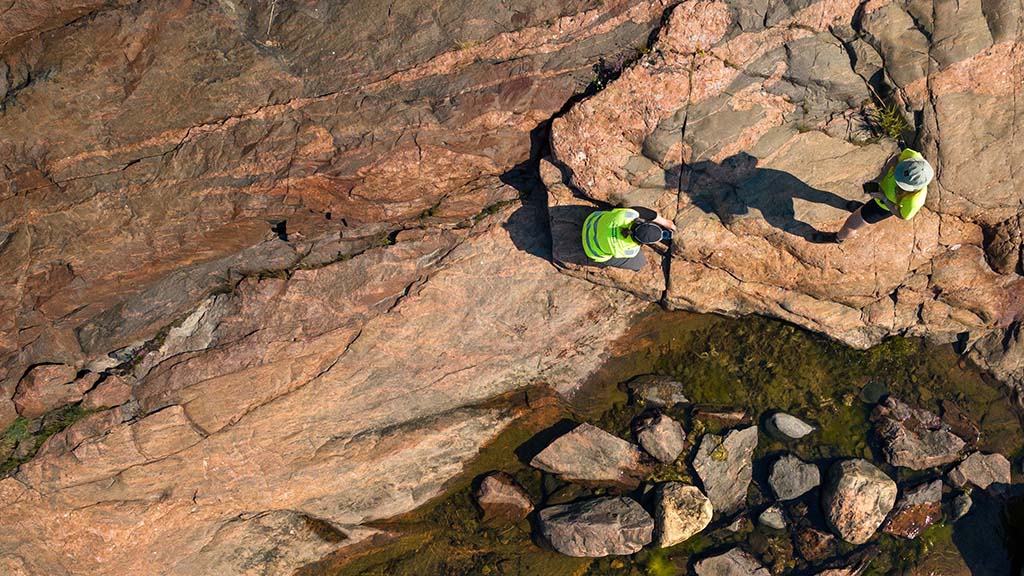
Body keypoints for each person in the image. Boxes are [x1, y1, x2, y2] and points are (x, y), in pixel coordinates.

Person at [835, 148, 934, 243]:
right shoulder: (912, 157)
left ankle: (837, 238)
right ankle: (861, 209)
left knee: (851, 224)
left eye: (902, 183)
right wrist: (881, 177)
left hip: (882, 208)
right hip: (880, 194)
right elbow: (896, 158)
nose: (896, 179)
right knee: (861, 211)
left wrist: (884, 199)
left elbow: (902, 215)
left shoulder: (915, 201)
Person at [582, 206, 677, 270]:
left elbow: (641, 211)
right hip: (591, 250)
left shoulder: (627, 215)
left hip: (591, 221)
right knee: (640, 263)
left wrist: (664, 222)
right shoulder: (631, 250)